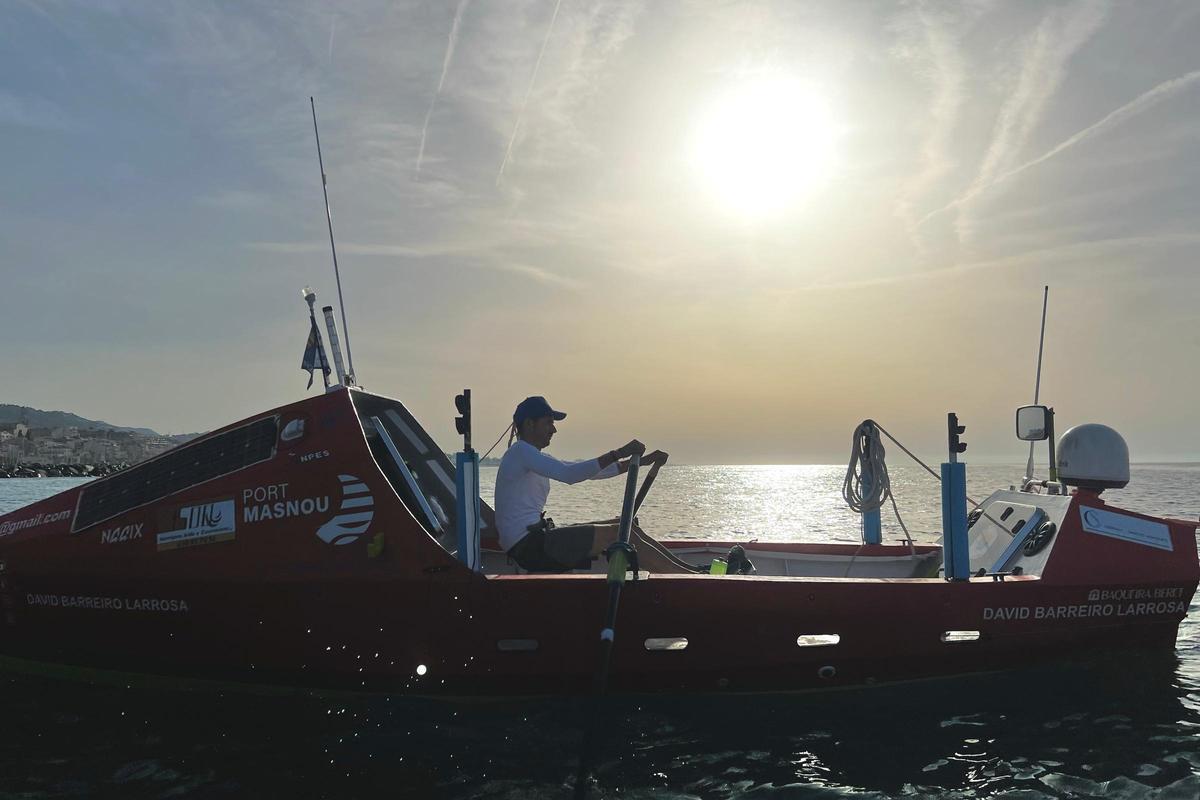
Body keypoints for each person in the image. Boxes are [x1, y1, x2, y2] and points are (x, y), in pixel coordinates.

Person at [494, 396, 703, 574]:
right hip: (529, 547)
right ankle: (691, 580)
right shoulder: (520, 452)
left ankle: (693, 571)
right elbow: (569, 474)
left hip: (537, 539)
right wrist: (619, 452)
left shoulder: (533, 456)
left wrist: (640, 461)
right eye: (548, 423)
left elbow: (589, 471)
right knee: (617, 534)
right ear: (530, 424)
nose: (554, 430)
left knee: (626, 526)